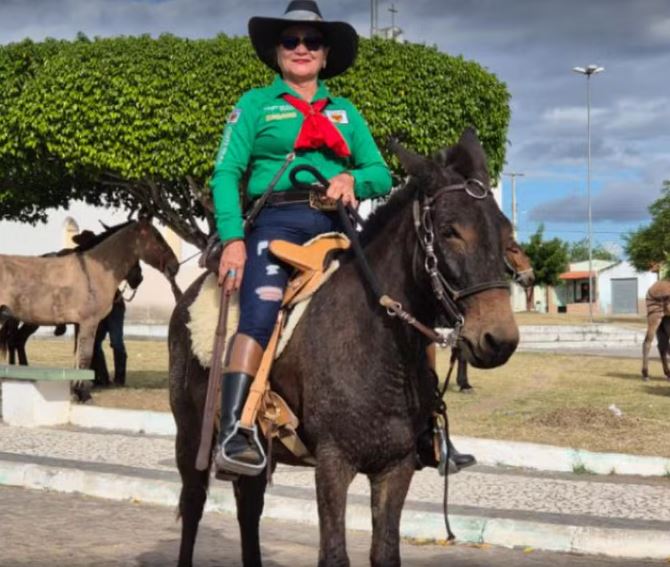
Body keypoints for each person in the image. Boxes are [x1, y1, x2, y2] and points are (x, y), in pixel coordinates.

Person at [210, 0, 392, 476]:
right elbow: (226, 173)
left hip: (338, 227)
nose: (302, 49)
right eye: (291, 41)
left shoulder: (346, 113)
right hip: (277, 223)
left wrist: (355, 181)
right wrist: (232, 239)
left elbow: (380, 172)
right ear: (278, 52)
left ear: (326, 55)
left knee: (394, 301)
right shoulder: (253, 105)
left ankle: (423, 424)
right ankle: (237, 429)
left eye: (312, 41)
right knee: (262, 308)